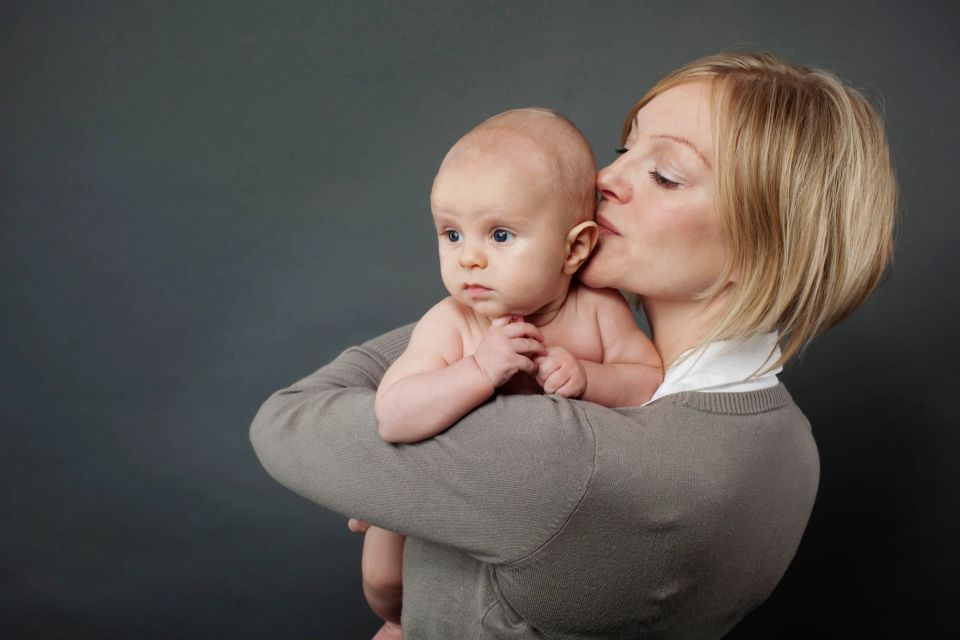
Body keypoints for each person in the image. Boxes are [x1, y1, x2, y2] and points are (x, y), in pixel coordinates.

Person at [250, 51, 896, 639]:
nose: (606, 178)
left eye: (665, 175)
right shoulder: (792, 447)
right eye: (624, 149)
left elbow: (288, 422)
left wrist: (471, 331)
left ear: (763, 252)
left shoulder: (565, 452)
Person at [352, 108, 664, 639]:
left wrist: (590, 377)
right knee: (385, 582)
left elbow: (650, 380)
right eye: (452, 234)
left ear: (574, 248)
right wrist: (478, 369)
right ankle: (395, 611)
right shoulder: (453, 323)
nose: (469, 258)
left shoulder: (598, 310)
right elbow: (393, 415)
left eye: (499, 235)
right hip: (442, 493)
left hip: (531, 520)